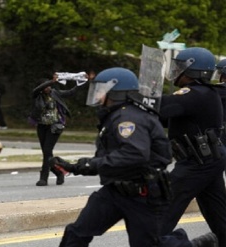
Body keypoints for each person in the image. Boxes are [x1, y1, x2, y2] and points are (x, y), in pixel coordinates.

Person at [49, 67, 218, 247]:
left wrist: (88, 165)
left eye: (100, 90)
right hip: (113, 191)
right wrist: (74, 166)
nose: (97, 95)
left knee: (147, 244)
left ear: (116, 93)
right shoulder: (115, 115)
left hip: (141, 195)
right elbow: (110, 159)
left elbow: (134, 155)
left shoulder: (128, 118)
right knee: (76, 234)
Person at [159, 47, 226, 246]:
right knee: (219, 217)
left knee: (159, 212)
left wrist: (135, 98)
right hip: (206, 159)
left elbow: (163, 107)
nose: (175, 70)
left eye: (179, 66)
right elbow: (165, 116)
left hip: (197, 162)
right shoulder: (201, 94)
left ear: (191, 69)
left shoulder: (196, 93)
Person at [29, 73, 81, 186]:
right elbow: (36, 89)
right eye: (46, 86)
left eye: (49, 86)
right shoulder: (36, 95)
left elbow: (70, 92)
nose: (48, 88)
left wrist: (80, 84)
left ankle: (43, 178)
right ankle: (59, 172)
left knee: (47, 151)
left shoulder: (55, 93)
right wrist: (51, 81)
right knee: (46, 153)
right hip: (42, 126)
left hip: (55, 126)